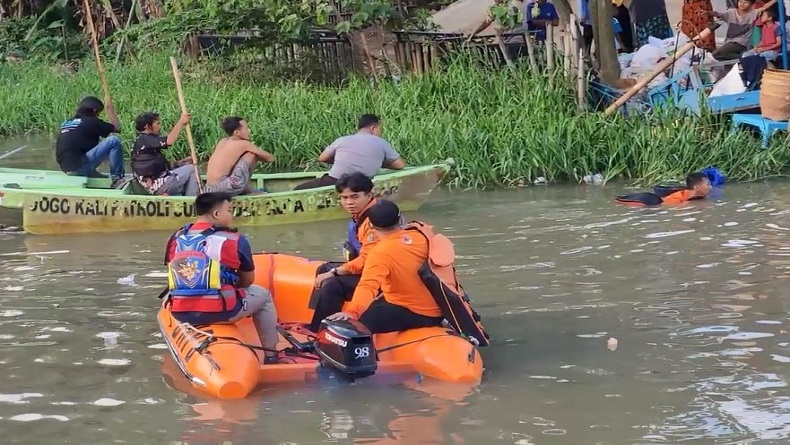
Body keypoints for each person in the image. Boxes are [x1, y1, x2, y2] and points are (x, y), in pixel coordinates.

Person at [164, 192, 281, 364]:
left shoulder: (176, 238)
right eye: (230, 210)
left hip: (181, 312)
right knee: (263, 296)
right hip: (221, 310)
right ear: (217, 214)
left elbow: (172, 271)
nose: (232, 215)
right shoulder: (234, 240)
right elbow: (247, 281)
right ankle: (271, 354)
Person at [327, 200, 444, 334]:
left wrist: (352, 312)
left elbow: (368, 285)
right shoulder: (421, 234)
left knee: (356, 328)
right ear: (400, 219)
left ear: (371, 225)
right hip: (441, 307)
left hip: (418, 312)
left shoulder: (380, 253)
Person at [308, 173, 380, 332]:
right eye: (344, 198)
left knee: (332, 284)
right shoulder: (361, 215)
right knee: (323, 269)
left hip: (380, 276)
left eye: (355, 197)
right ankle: (316, 320)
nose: (349, 203)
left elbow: (369, 260)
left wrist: (335, 273)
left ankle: (321, 332)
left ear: (369, 195)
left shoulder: (375, 220)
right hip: (368, 267)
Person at [294, 114, 404, 191]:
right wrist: (377, 162)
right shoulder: (382, 143)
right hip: (361, 185)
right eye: (380, 129)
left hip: (335, 181)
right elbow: (400, 165)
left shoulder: (342, 140)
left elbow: (322, 158)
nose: (380, 132)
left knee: (297, 189)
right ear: (373, 128)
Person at [55, 95, 125, 186]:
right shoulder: (91, 121)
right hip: (79, 167)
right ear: (95, 111)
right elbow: (117, 128)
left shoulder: (67, 122)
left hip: (65, 168)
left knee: (83, 146)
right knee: (113, 141)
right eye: (99, 113)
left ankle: (90, 172)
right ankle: (117, 178)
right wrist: (110, 109)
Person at [131, 112, 200, 196]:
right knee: (192, 169)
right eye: (157, 124)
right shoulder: (144, 139)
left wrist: (180, 163)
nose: (159, 127)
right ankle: (191, 200)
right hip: (157, 185)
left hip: (157, 182)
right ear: (147, 126)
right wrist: (181, 122)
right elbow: (169, 141)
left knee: (187, 167)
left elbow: (156, 166)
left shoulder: (144, 140)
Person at [204, 117, 275, 196]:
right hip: (224, 188)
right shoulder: (243, 144)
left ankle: (245, 188)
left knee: (243, 157)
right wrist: (257, 157)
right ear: (237, 132)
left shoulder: (222, 141)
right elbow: (271, 158)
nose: (249, 131)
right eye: (246, 128)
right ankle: (247, 189)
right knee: (251, 155)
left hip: (208, 189)